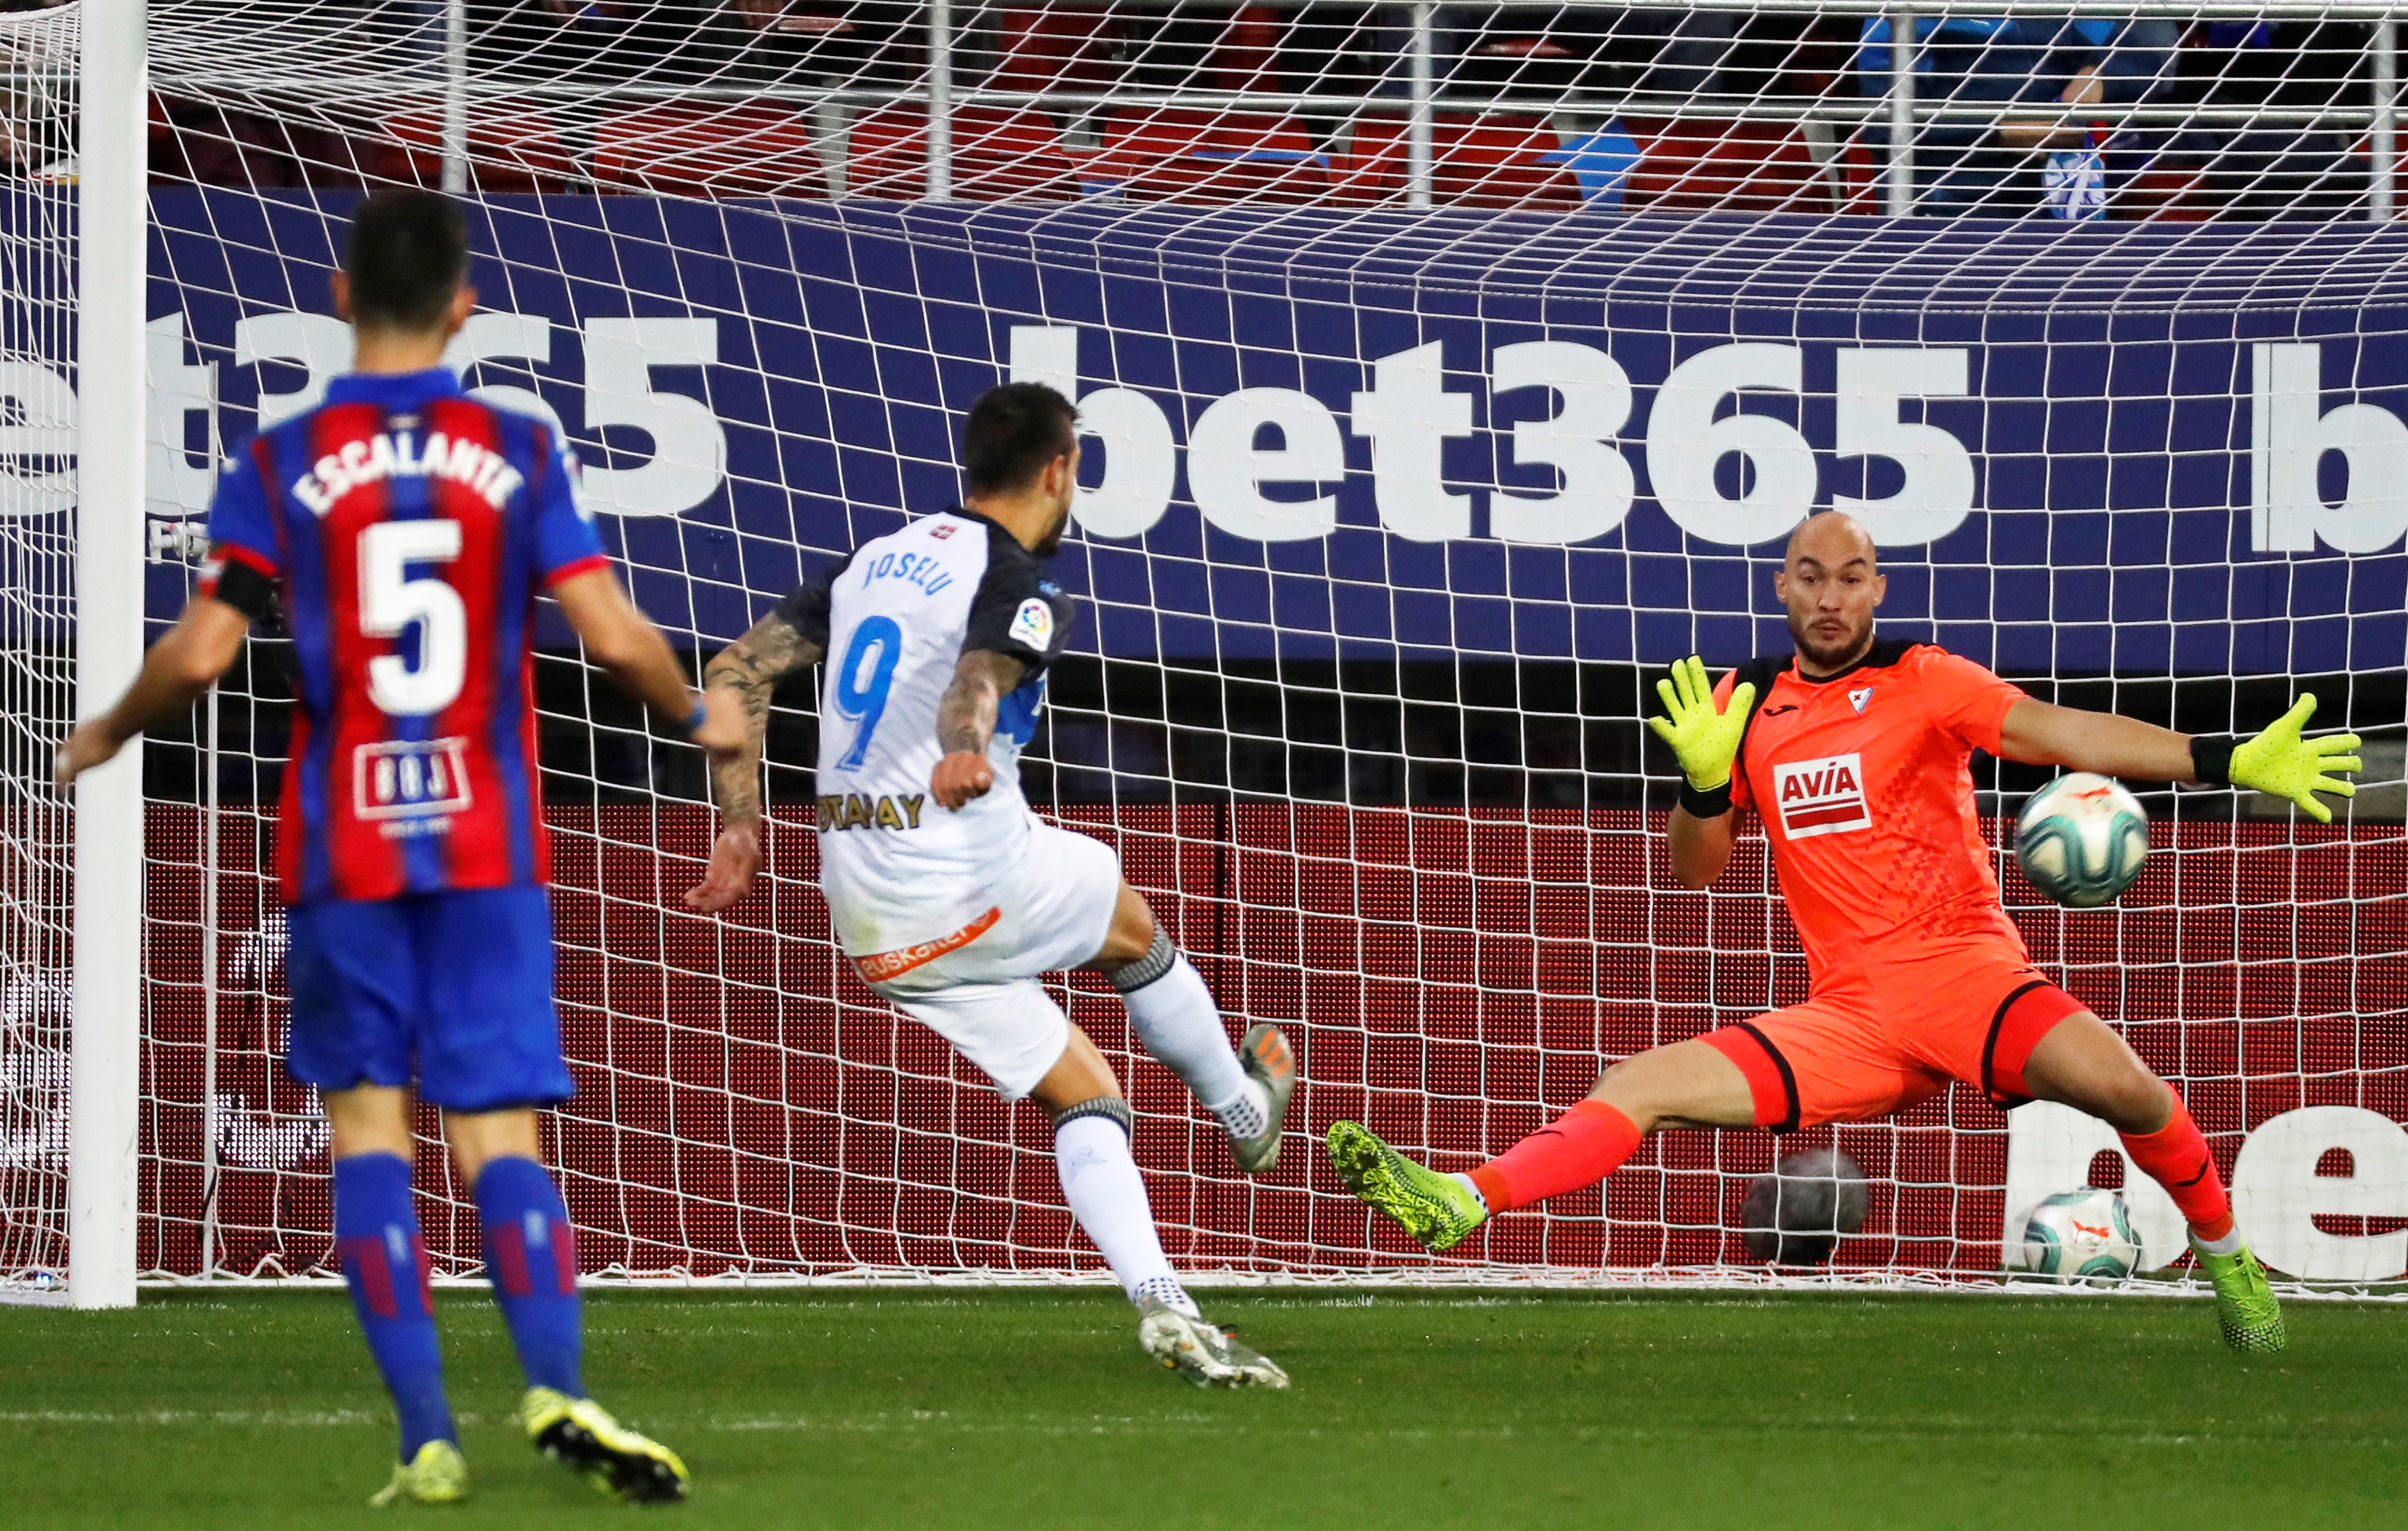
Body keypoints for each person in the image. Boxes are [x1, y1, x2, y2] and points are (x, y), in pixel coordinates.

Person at [55, 190, 739, 1504]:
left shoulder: (278, 458)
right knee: (498, 1134)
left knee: (370, 1133)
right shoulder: (517, 447)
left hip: (343, 845)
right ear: (466, 307)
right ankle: (558, 1384)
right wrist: (697, 714)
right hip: (485, 839)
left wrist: (105, 731)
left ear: (337, 295)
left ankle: (427, 1438)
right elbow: (610, 634)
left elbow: (200, 653)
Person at [1328, 511, 2362, 1356]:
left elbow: (2059, 730)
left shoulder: (1926, 679)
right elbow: (1696, 868)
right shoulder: (1745, 706)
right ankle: (1463, 1198)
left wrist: (2223, 758)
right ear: (1783, 587)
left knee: (2134, 1093)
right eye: (1813, 576)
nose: (1832, 596)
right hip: (1853, 1016)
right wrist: (1702, 782)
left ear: (1878, 591)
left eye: (1853, 577)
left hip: (1967, 976)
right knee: (1638, 1081)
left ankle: (2230, 1260)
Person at [685, 382, 1294, 1387]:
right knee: (1129, 925)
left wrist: (740, 823)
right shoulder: (1019, 579)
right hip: (964, 870)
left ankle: (1166, 1305)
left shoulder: (871, 560)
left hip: (868, 911)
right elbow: (975, 680)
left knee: (1085, 1093)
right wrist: (964, 748)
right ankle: (1241, 1110)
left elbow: (735, 671)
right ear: (1061, 469)